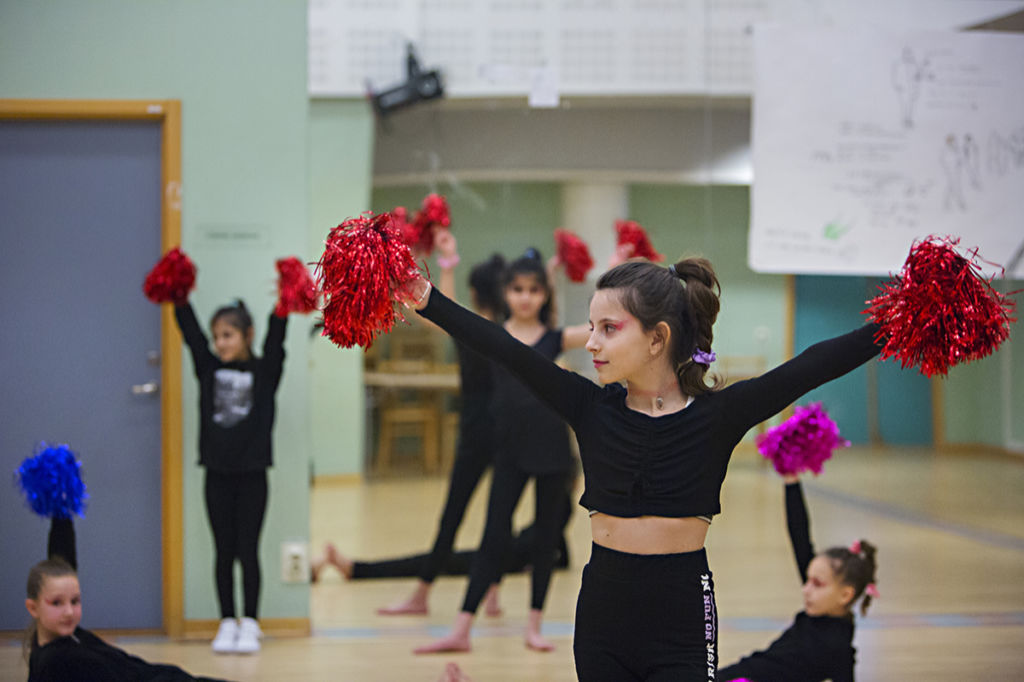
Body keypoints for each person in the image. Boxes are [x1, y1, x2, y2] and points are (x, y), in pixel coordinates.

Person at [403, 255, 887, 679]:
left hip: (682, 621)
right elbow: (506, 348)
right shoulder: (588, 406)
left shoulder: (721, 415)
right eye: (591, 328)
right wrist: (428, 300)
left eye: (609, 329)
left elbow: (814, 364)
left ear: (657, 339)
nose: (591, 343)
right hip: (602, 620)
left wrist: (898, 322)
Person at [414, 248, 591, 654]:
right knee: (494, 536)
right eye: (517, 289)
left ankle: (534, 625)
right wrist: (445, 265)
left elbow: (604, 323)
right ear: (505, 292)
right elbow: (447, 317)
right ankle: (462, 627)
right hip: (509, 448)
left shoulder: (554, 338)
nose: (525, 297)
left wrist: (617, 265)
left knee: (546, 538)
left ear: (545, 294)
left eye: (533, 290)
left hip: (551, 449)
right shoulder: (493, 335)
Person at [376, 236, 508, 616]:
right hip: (503, 430)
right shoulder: (505, 333)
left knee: (455, 513)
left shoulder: (472, 331)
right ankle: (493, 593)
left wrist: (448, 262)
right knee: (499, 516)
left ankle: (422, 593)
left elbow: (439, 309)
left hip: (476, 431)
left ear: (474, 291)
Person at [173, 294, 289, 654]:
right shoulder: (208, 368)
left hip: (253, 475)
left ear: (247, 335)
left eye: (228, 335)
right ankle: (226, 621)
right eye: (217, 336)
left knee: (248, 550)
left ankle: (251, 622)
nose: (220, 343)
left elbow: (276, 338)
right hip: (217, 475)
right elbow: (190, 334)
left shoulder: (265, 371)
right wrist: (178, 295)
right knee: (223, 551)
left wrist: (283, 304)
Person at [717, 474, 878, 682]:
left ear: (845, 595)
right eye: (808, 580)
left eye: (817, 584)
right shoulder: (820, 608)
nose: (806, 589)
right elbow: (799, 535)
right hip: (739, 672)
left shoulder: (838, 649)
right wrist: (791, 482)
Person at [25, 518, 227, 682]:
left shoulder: (68, 636)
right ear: (33, 608)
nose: (69, 611)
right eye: (57, 603)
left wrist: (61, 514)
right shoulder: (56, 662)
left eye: (75, 601)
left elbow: (63, 561)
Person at [310, 480, 573, 585]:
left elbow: (555, 548)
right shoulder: (559, 504)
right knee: (427, 561)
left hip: (497, 560)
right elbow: (560, 552)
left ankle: (356, 569)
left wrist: (535, 564)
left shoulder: (558, 504)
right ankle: (355, 568)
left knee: (427, 562)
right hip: (498, 555)